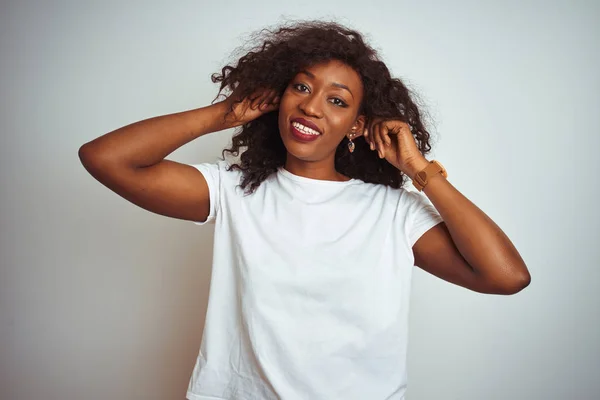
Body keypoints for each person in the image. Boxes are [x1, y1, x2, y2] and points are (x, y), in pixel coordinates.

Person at [79, 20, 530, 400]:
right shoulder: (235, 190)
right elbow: (106, 158)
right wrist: (228, 112)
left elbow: (507, 276)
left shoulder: (393, 212)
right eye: (301, 87)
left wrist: (419, 169)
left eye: (336, 100)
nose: (312, 107)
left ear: (357, 125)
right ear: (278, 97)